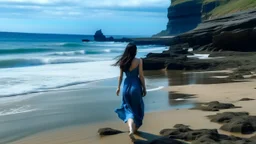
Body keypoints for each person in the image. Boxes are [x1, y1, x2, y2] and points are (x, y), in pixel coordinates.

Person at [114, 43, 147, 141]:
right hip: (135, 87)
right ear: (134, 51)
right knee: (138, 108)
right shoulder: (139, 61)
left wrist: (118, 87)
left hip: (126, 87)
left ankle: (131, 130)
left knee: (128, 110)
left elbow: (120, 76)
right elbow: (141, 76)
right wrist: (144, 88)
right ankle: (133, 129)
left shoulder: (123, 62)